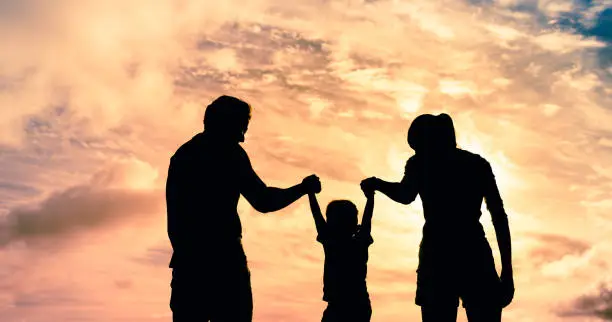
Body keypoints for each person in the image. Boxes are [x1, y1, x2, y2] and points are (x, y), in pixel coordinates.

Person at [165, 95, 322, 322]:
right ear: (226, 124)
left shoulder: (183, 156)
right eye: (241, 128)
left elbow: (176, 221)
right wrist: (302, 188)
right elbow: (263, 200)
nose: (243, 138)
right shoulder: (230, 154)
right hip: (224, 265)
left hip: (188, 266)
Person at [361, 113, 514, 322]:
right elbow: (499, 216)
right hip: (472, 250)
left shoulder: (420, 163)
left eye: (417, 146)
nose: (416, 152)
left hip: (439, 254)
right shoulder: (476, 164)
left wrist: (378, 184)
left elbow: (405, 195)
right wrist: (507, 271)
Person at [307, 182, 376, 322]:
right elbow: (367, 218)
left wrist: (310, 193)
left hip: (347, 304)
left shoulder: (332, 242)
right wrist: (370, 197)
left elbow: (317, 217)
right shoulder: (358, 241)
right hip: (356, 304)